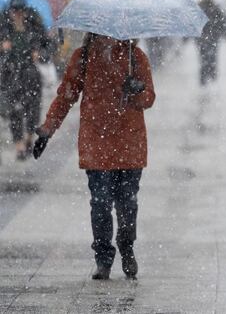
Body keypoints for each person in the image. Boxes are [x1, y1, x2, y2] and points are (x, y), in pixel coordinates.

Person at [32, 33, 155, 280]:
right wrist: (48, 129)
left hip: (129, 143)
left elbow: (149, 98)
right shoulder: (84, 56)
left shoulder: (135, 57)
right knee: (100, 203)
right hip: (96, 142)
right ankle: (103, 258)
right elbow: (66, 96)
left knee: (127, 204)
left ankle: (126, 245)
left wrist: (137, 91)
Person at [0, 0, 52, 161]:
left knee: (32, 109)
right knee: (14, 111)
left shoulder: (34, 26)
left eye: (20, 11)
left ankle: (29, 138)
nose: (17, 14)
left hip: (30, 74)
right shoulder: (4, 28)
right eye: (14, 11)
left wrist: (40, 54)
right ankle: (19, 146)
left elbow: (49, 47)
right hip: (9, 74)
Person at [197, 0, 226, 86]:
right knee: (211, 58)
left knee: (205, 58)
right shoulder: (215, 9)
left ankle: (205, 78)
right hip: (211, 38)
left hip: (205, 38)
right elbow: (222, 24)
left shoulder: (199, 9)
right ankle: (210, 76)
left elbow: (222, 24)